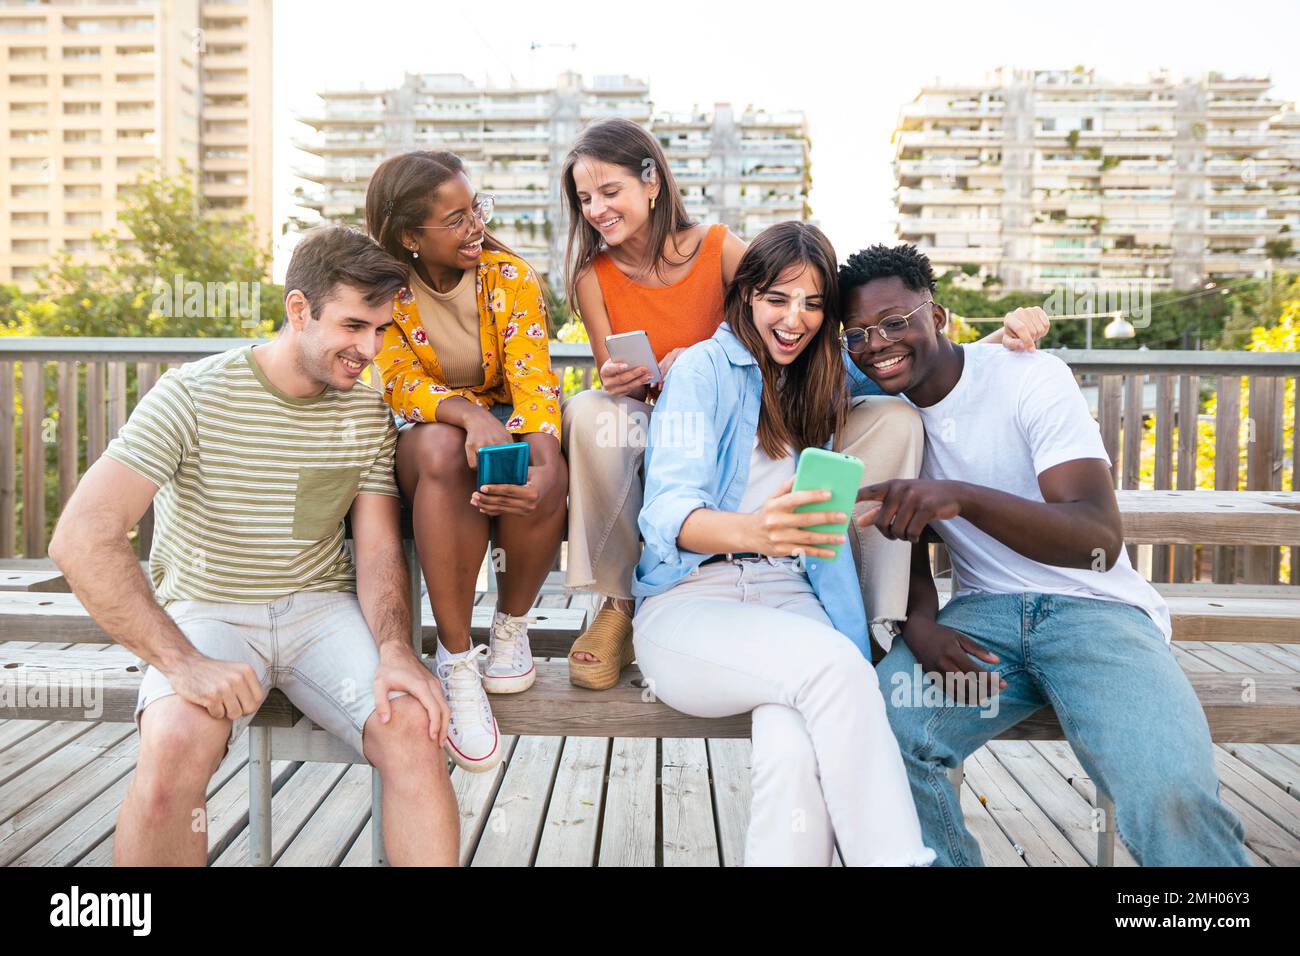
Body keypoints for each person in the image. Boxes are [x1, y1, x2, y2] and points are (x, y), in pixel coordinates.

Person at [559, 116, 1049, 686]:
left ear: (652, 183)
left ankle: (875, 610)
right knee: (595, 411)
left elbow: (787, 310)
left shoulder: (719, 249)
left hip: (754, 406)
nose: (595, 209)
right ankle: (617, 604)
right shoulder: (592, 276)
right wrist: (637, 377)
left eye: (609, 192)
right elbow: (613, 367)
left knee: (892, 413)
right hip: (669, 419)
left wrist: (992, 343)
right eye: (585, 198)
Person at [48, 225, 459, 866]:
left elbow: (378, 549)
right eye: (354, 327)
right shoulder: (192, 393)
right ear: (299, 310)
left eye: (381, 331)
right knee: (175, 744)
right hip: (208, 611)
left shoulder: (367, 409)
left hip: (320, 611)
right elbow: (82, 536)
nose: (370, 350)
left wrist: (396, 649)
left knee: (414, 728)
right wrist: (182, 663)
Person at [841, 242, 1251, 867]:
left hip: (1097, 612)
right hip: (982, 618)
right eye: (859, 334)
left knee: (1171, 792)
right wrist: (919, 624)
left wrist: (963, 498)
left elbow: (1096, 539)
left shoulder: (1028, 375)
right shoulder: (885, 413)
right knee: (882, 737)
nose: (879, 342)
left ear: (939, 315)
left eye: (896, 322)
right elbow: (907, 541)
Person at [631, 222, 935, 866]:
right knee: (835, 669)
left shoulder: (821, 372)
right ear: (746, 296)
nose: (795, 319)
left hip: (791, 598)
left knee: (795, 753)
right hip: (691, 603)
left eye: (814, 303)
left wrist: (1001, 339)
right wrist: (753, 530)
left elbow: (911, 363)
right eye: (778, 298)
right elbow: (665, 512)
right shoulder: (702, 371)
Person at [366, 150, 568, 774]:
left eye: (475, 208)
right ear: (409, 237)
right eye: (455, 218)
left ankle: (509, 628)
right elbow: (398, 381)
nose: (474, 224)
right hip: (428, 442)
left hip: (504, 425)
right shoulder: (385, 292)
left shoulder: (510, 278)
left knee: (541, 459)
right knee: (441, 446)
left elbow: (533, 387)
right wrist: (466, 414)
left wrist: (540, 463)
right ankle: (455, 659)